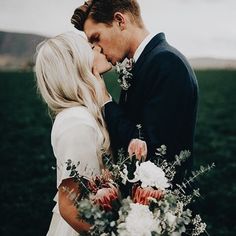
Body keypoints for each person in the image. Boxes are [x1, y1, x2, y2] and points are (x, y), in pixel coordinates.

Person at [71, 0, 199, 183]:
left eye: (96, 38)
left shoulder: (167, 63)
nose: (96, 48)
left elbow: (152, 149)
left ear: (120, 21)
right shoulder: (145, 62)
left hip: (163, 200)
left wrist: (104, 100)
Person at [36, 31, 146, 235]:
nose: (98, 48)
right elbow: (70, 205)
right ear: (75, 65)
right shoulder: (77, 122)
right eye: (89, 48)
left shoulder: (84, 114)